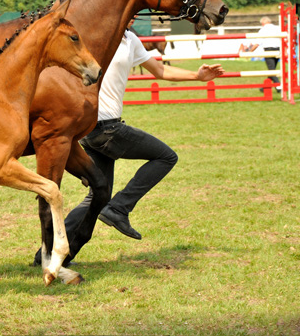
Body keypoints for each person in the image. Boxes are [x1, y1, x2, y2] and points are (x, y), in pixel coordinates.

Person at [33, 20, 225, 267]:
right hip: (102, 127)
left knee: (96, 198)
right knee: (166, 157)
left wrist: (197, 77)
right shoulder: (91, 33)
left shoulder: (129, 39)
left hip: (97, 130)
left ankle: (49, 256)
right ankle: (119, 208)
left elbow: (160, 71)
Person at [238, 16, 281, 87]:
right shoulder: (277, 28)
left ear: (263, 23)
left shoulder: (263, 30)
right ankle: (265, 87)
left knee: (271, 70)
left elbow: (257, 43)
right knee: (272, 69)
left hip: (269, 50)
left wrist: (250, 52)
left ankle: (279, 86)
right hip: (278, 50)